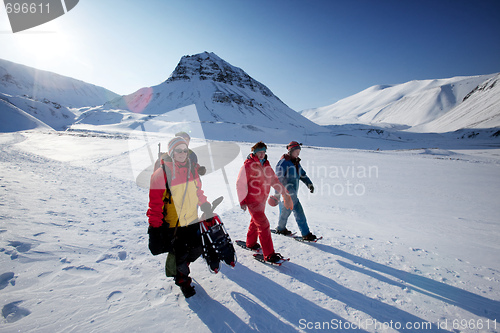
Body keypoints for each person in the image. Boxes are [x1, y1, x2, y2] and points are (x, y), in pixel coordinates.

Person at [147, 136, 211, 298]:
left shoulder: (192, 170)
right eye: (178, 150)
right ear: (171, 152)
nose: (182, 153)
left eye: (185, 150)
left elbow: (198, 191)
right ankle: (182, 280)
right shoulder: (161, 174)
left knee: (197, 249)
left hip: (192, 219)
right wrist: (154, 228)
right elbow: (155, 205)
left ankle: (179, 267)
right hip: (174, 224)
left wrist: (204, 204)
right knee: (181, 253)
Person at [236, 141, 294, 263]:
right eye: (259, 152)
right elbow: (240, 183)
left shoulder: (266, 165)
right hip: (252, 201)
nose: (262, 155)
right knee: (264, 224)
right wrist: (242, 201)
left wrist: (284, 192)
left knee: (255, 221)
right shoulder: (248, 165)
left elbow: (274, 180)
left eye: (263, 152)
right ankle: (269, 254)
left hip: (262, 199)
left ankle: (251, 243)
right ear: (254, 152)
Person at [272, 141, 317, 241]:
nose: (298, 154)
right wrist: (278, 194)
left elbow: (302, 174)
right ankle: (283, 229)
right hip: (286, 194)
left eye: (299, 151)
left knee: (294, 212)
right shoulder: (283, 162)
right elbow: (278, 179)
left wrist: (309, 184)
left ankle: (302, 233)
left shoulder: (295, 163)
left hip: (293, 194)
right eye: (296, 151)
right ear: (290, 151)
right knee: (289, 212)